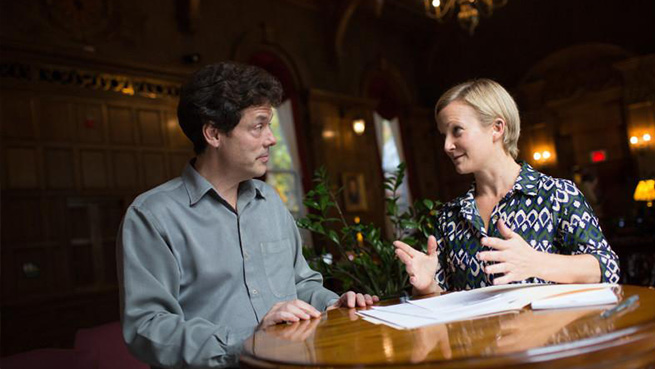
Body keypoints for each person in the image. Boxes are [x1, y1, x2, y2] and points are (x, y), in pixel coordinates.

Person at [117, 62, 378, 368]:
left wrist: (333, 303)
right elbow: (148, 328)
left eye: (270, 125)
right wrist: (245, 343)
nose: (272, 138)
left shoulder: (269, 200)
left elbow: (301, 284)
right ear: (214, 133)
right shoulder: (152, 216)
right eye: (258, 126)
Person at [394, 79, 620, 294]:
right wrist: (427, 287)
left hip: (550, 335)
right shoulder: (449, 216)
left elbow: (606, 268)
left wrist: (536, 262)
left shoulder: (558, 195)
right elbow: (445, 299)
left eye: (457, 131)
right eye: (444, 135)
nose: (447, 145)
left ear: (497, 128)